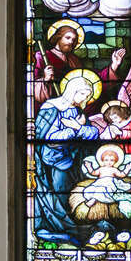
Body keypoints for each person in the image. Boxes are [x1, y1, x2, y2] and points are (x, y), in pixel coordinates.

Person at [34, 76, 100, 245]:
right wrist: (73, 131)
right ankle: (63, 228)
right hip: (53, 162)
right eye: (83, 95)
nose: (85, 100)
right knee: (59, 196)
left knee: (71, 196)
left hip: (72, 160)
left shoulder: (76, 111)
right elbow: (50, 139)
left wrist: (77, 128)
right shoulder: (50, 108)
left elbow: (92, 134)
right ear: (73, 91)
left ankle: (75, 228)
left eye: (87, 96)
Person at [34, 23, 127, 115]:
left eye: (73, 40)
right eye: (67, 38)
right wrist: (45, 79)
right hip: (56, 102)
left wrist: (114, 65)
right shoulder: (42, 56)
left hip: (76, 101)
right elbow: (33, 86)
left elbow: (91, 78)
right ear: (58, 37)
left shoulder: (73, 59)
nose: (71, 42)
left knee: (97, 102)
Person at [81, 145, 131, 214]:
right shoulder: (101, 169)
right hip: (99, 182)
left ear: (115, 161)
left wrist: (127, 169)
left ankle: (94, 199)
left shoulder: (114, 169)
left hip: (109, 183)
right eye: (106, 160)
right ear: (102, 160)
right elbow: (93, 173)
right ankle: (94, 198)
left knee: (103, 190)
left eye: (112, 160)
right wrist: (88, 166)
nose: (109, 162)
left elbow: (122, 174)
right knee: (90, 189)